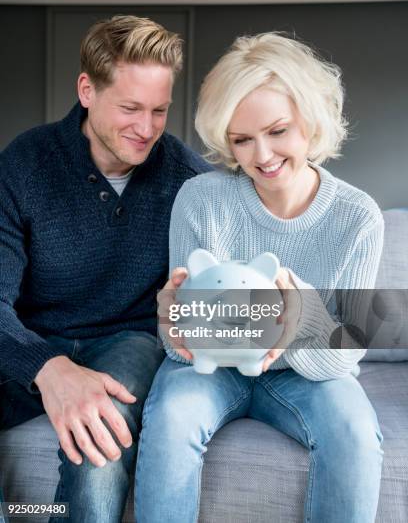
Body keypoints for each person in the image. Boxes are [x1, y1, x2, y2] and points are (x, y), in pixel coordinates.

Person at [135, 32, 385, 523]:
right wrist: (176, 322)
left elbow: (348, 347)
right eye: (241, 139)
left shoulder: (358, 216)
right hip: (209, 372)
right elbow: (177, 343)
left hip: (307, 375)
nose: (262, 156)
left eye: (277, 131)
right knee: (169, 418)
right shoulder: (200, 200)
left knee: (356, 432)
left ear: (310, 123)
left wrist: (300, 317)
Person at [0, 15, 211, 523]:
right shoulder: (25, 163)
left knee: (102, 436)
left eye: (160, 110)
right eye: (131, 108)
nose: (146, 129)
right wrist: (48, 369)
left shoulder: (188, 181)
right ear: (87, 90)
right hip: (29, 335)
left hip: (127, 340)